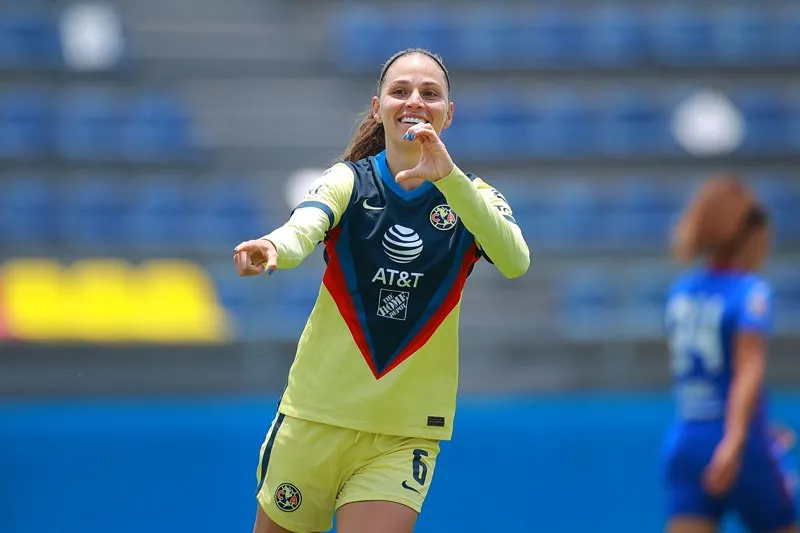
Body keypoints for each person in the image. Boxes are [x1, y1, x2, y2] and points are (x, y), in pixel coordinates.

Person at [233, 48, 530, 533]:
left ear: (448, 114)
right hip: (316, 417)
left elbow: (517, 260)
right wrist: (271, 247)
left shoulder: (473, 197)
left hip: (402, 434)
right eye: (401, 91)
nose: (415, 101)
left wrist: (450, 180)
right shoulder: (347, 181)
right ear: (378, 107)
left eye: (430, 93)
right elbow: (303, 227)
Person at [661, 175, 797, 533]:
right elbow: (747, 370)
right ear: (750, 233)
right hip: (739, 446)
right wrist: (737, 439)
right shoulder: (749, 292)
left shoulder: (682, 291)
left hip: (687, 440)